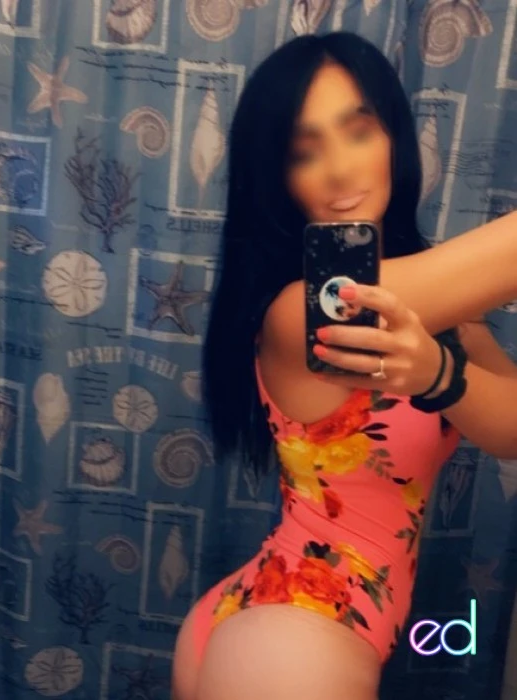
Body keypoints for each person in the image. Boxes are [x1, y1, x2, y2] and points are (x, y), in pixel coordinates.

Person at [171, 32, 517, 700]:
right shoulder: (297, 312)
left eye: (358, 131)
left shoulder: (434, 308)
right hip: (293, 634)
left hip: (285, 620)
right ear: (276, 178)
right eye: (303, 151)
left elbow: (511, 430)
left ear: (393, 138)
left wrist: (439, 377)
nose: (338, 170)